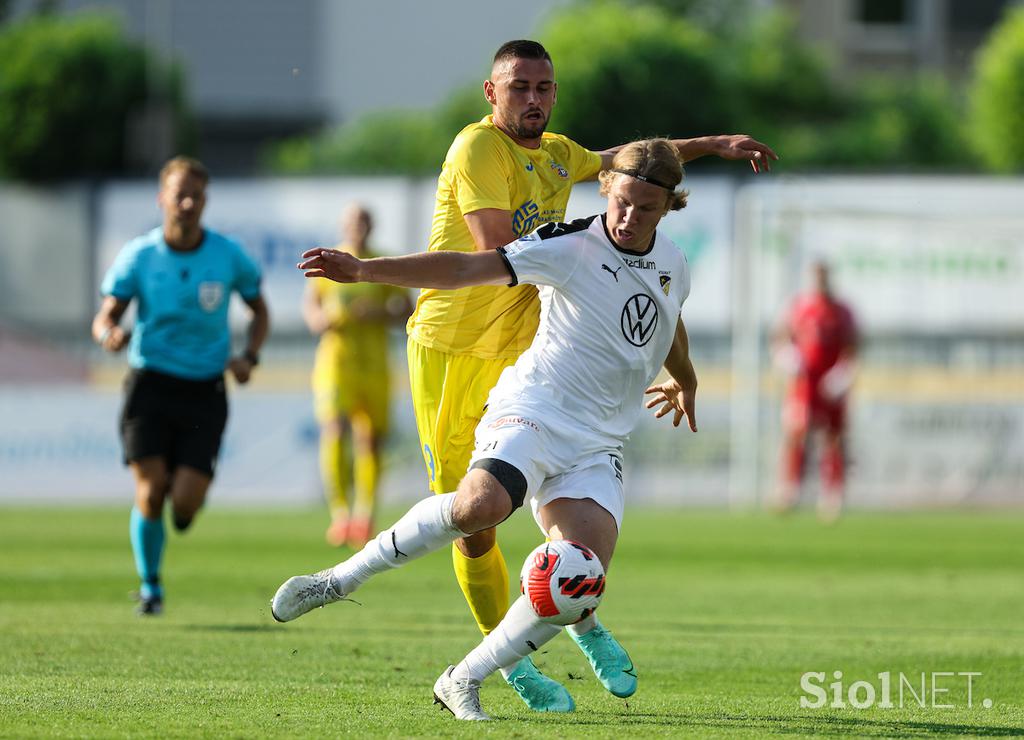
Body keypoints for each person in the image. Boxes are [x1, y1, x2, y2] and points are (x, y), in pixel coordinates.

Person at [403, 38, 777, 711]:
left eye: (544, 87)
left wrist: (716, 143)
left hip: (524, 344)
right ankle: (515, 666)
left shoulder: (557, 154)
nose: (534, 99)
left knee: (563, 518)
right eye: (520, 87)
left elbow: (628, 164)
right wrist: (580, 251)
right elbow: (496, 251)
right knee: (477, 523)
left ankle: (577, 618)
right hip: (452, 348)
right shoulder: (477, 150)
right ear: (492, 94)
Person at [272, 139, 698, 721]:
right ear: (606, 190)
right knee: (480, 506)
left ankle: (461, 678)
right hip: (536, 410)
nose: (629, 217)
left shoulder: (673, 261)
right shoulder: (569, 245)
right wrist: (367, 271)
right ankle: (338, 580)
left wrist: (687, 380)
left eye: (645, 209)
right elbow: (467, 267)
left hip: (598, 444)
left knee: (580, 577)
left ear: (669, 206)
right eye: (622, 201)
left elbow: (668, 321)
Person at [92, 156, 269, 615]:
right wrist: (108, 334)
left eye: (196, 195)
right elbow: (107, 315)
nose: (187, 203)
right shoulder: (140, 254)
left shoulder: (227, 256)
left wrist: (249, 356)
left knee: (185, 502)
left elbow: (259, 310)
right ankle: (151, 586)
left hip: (204, 389)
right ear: (162, 199)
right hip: (149, 383)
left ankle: (184, 513)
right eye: (179, 195)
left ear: (206, 200)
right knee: (150, 490)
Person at [303, 204, 412, 548]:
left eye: (364, 222)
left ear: (371, 227)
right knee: (335, 429)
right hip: (337, 361)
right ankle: (340, 514)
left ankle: (365, 514)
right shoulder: (330, 262)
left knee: (370, 439)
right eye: (352, 222)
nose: (358, 228)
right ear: (344, 226)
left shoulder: (378, 264)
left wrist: (378, 312)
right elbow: (313, 307)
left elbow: (408, 308)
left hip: (375, 363)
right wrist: (322, 320)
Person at [772, 260, 858, 523]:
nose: (820, 281)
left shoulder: (842, 311)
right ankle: (790, 489)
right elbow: (781, 337)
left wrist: (844, 373)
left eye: (823, 275)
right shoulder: (798, 306)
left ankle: (832, 494)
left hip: (831, 384)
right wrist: (787, 358)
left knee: (833, 437)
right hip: (804, 383)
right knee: (797, 434)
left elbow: (854, 345)